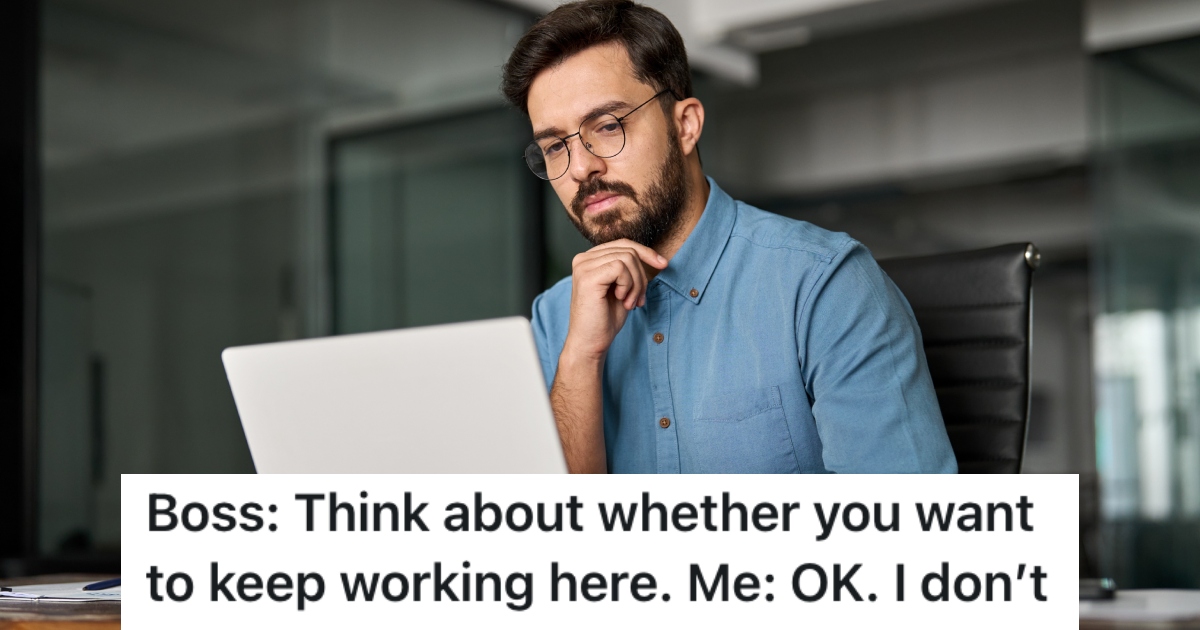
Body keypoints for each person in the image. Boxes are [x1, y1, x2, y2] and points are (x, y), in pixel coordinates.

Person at [502, 0, 957, 474]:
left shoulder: (824, 287)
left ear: (685, 125)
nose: (580, 168)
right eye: (556, 147)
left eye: (608, 126)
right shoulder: (557, 320)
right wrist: (581, 358)